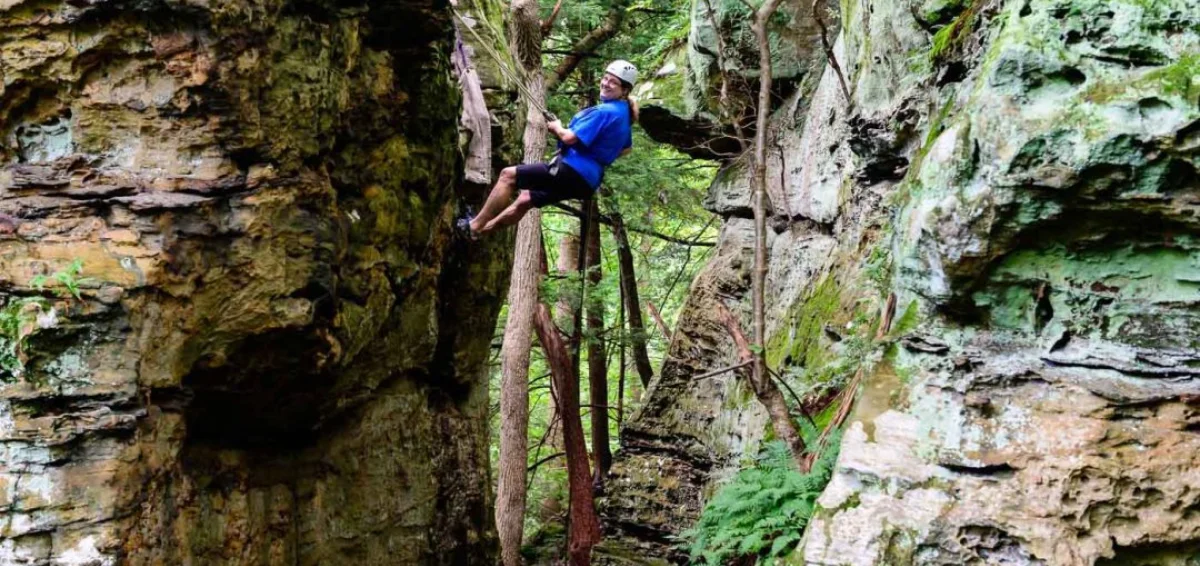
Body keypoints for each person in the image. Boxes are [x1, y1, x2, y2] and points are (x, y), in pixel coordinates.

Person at [457, 60, 639, 239]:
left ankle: (474, 225)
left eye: (613, 82)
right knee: (525, 199)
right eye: (605, 78)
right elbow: (625, 149)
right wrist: (599, 151)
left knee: (508, 175)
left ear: (624, 90)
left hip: (572, 170)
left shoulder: (605, 111)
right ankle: (480, 231)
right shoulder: (624, 114)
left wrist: (557, 127)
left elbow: (568, 137)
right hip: (587, 182)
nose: (606, 83)